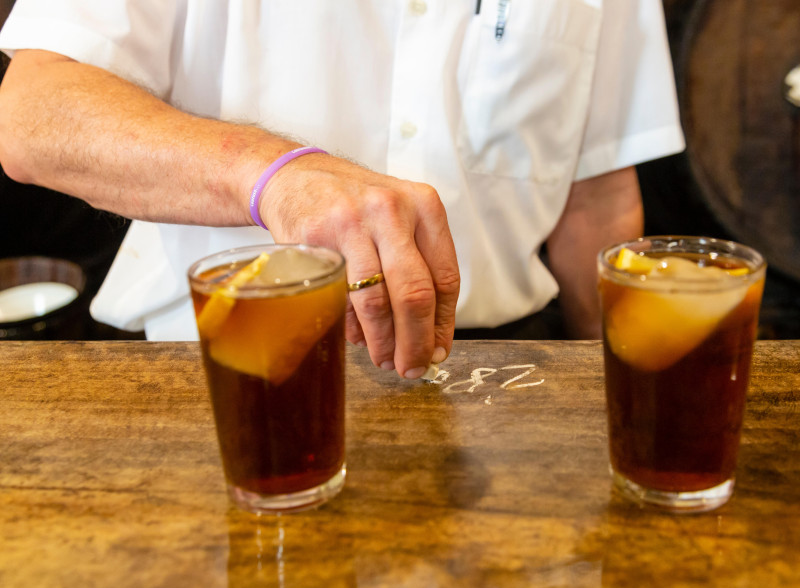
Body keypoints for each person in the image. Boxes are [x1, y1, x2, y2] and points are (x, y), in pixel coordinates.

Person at [0, 1, 684, 378]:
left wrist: (628, 385)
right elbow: (30, 113)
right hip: (224, 367)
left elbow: (597, 199)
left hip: (506, 373)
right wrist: (274, 175)